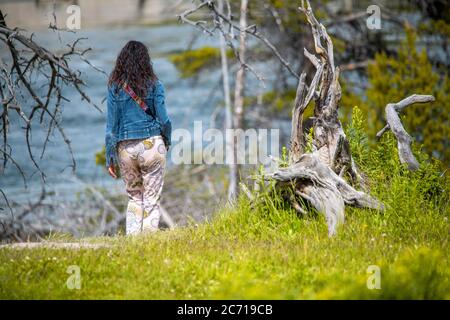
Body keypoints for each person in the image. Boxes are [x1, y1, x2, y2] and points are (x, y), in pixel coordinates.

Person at [105, 40, 172, 235]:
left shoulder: (114, 88)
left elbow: (111, 128)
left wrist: (110, 157)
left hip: (126, 149)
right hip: (152, 145)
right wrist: (166, 141)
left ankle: (133, 243)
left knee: (135, 198)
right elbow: (165, 121)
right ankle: (148, 245)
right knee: (151, 200)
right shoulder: (155, 84)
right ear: (146, 61)